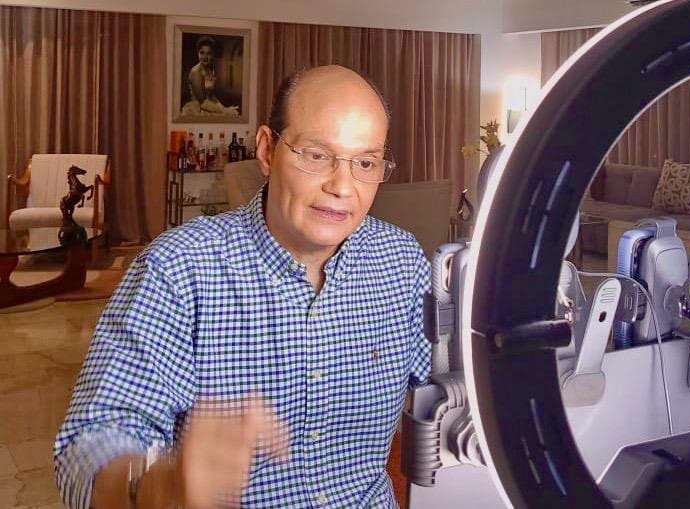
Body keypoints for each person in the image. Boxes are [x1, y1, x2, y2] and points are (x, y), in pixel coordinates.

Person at [54, 64, 431, 509]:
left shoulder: (402, 261)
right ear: (267, 150)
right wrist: (158, 485)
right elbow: (88, 446)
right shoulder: (179, 268)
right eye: (316, 155)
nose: (342, 187)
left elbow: (453, 391)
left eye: (365, 163)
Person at [181, 35, 239, 117]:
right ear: (198, 53)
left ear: (212, 54)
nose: (205, 57)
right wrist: (225, 111)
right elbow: (202, 103)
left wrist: (225, 108)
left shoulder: (210, 69)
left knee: (233, 114)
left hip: (210, 106)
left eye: (208, 53)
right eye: (202, 53)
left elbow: (211, 96)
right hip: (197, 109)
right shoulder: (195, 72)